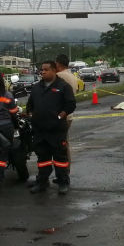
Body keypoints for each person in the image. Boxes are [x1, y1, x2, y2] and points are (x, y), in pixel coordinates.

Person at [27, 61, 76, 195]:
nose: (42, 72)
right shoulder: (37, 88)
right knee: (43, 159)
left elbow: (71, 104)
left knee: (60, 158)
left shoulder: (63, 87)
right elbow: (30, 105)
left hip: (57, 130)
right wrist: (31, 115)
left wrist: (61, 116)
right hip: (40, 130)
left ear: (54, 71)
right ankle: (42, 182)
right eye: (41, 70)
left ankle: (63, 182)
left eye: (46, 70)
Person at [54, 54, 78, 180]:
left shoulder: (60, 76)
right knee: (64, 142)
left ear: (58, 64)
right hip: (69, 114)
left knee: (60, 145)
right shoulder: (72, 76)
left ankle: (63, 173)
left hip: (61, 115)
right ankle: (65, 172)